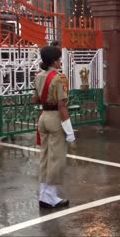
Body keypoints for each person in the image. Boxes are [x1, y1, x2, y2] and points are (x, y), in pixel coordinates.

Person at [32, 46, 75, 208]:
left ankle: (44, 194)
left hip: (43, 118)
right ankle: (50, 196)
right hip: (56, 119)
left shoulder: (38, 77)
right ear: (54, 61)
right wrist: (69, 131)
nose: (60, 61)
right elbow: (62, 106)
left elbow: (35, 100)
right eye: (59, 59)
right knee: (56, 158)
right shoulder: (59, 78)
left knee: (44, 157)